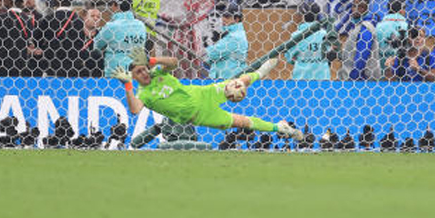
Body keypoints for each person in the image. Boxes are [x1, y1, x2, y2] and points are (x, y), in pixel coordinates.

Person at [111, 53, 302, 139]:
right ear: (134, 77)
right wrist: (127, 85)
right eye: (138, 73)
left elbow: (174, 62)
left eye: (144, 69)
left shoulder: (157, 73)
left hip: (204, 94)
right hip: (199, 116)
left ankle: (260, 72)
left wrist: (152, 60)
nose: (144, 74)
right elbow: (135, 110)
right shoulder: (143, 93)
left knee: (236, 83)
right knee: (242, 122)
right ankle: (280, 127)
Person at [93, 0, 148, 77]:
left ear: (116, 6)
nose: (111, 7)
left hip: (115, 74)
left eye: (112, 4)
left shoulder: (111, 26)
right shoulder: (141, 26)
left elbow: (95, 46)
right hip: (137, 74)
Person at [285, 4, 330, 80]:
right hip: (322, 77)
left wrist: (303, 61)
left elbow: (289, 57)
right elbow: (329, 55)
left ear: (303, 16)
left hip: (301, 77)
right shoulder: (325, 34)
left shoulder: (296, 35)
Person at [205, 4, 249, 79]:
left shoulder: (234, 36)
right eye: (223, 16)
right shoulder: (232, 33)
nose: (223, 19)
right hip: (227, 77)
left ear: (237, 19)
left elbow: (212, 54)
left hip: (228, 78)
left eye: (227, 17)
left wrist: (211, 48)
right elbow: (238, 56)